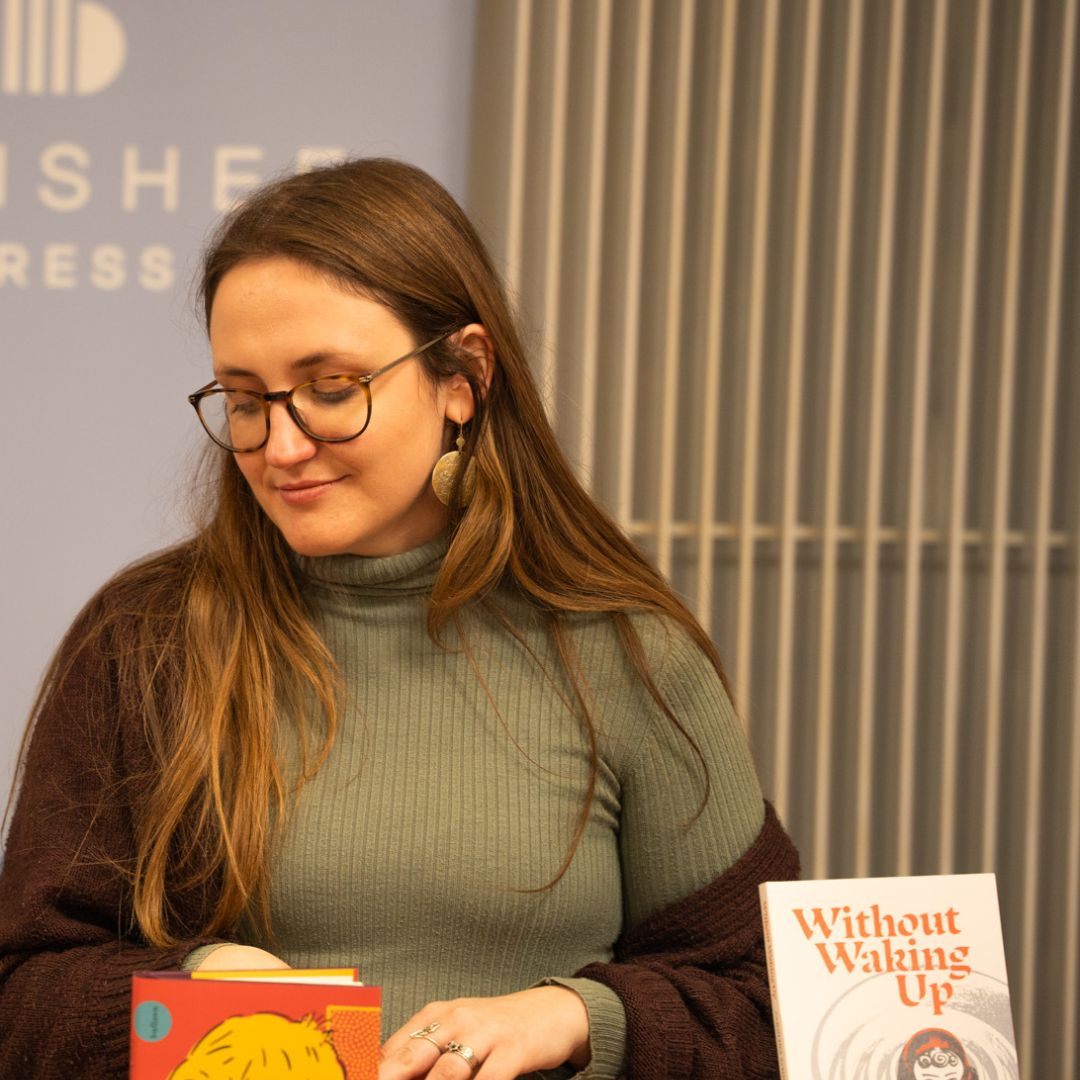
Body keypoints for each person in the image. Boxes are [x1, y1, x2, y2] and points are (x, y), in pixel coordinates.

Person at [0, 158, 799, 1079]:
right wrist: (199, 984)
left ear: (464, 376)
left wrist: (578, 1018)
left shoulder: (623, 650)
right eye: (247, 401)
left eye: (332, 388)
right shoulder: (143, 641)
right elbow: (24, 996)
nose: (281, 446)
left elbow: (767, 1000)